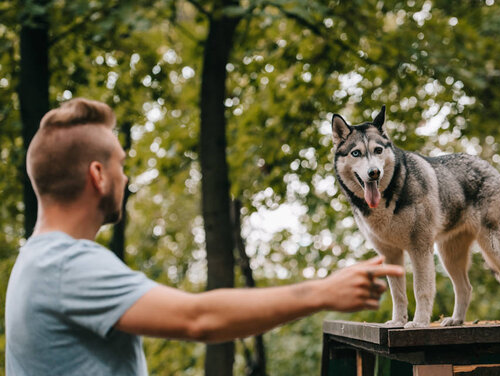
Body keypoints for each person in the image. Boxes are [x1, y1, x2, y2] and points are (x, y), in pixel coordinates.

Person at [5, 98, 404, 375]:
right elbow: (199, 319)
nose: (125, 179)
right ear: (97, 174)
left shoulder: (39, 261)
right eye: (121, 165)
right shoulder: (65, 265)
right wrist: (323, 292)